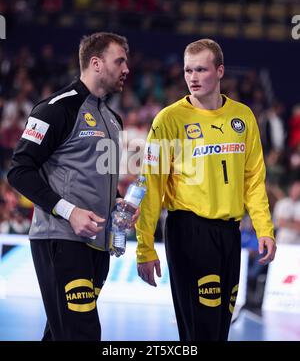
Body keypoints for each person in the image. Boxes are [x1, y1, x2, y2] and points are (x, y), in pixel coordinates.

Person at [136, 39, 276, 341]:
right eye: (188, 70)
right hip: (189, 231)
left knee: (219, 330)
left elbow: (253, 180)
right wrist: (144, 246)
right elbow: (152, 187)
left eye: (201, 69)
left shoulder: (243, 117)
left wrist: (265, 228)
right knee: (201, 331)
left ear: (220, 71)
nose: (193, 77)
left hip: (229, 233)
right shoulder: (169, 119)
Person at [7, 32, 135, 341]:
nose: (126, 69)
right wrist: (70, 212)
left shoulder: (113, 119)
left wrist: (117, 203)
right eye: (120, 61)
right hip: (61, 239)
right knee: (82, 334)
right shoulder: (55, 108)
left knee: (61, 333)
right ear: (96, 63)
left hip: (98, 245)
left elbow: (96, 177)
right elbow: (19, 171)